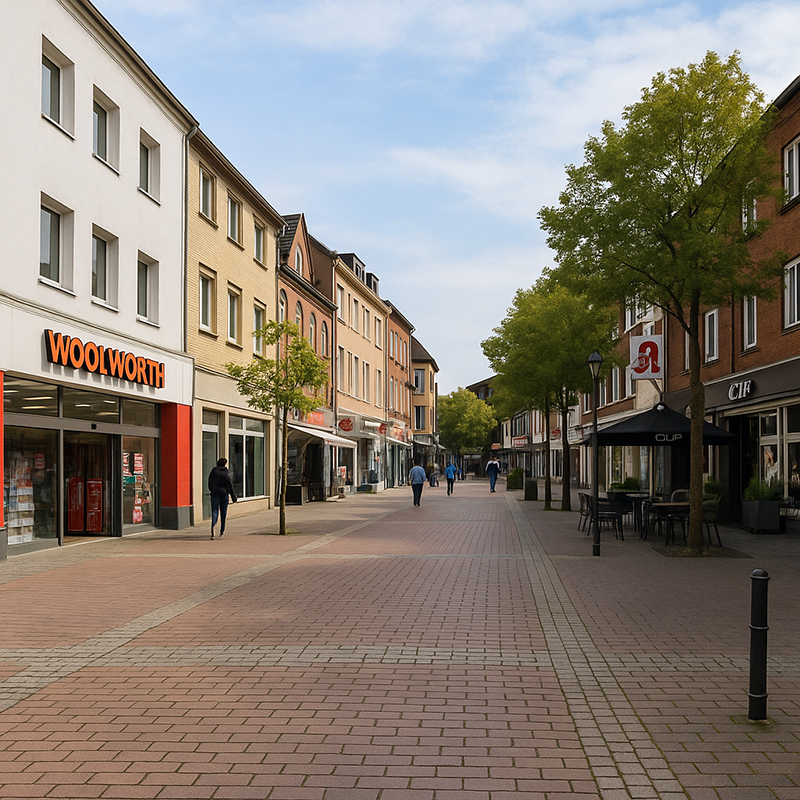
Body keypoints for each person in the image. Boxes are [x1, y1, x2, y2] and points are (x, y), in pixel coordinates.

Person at [208, 457, 237, 539]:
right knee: (223, 513)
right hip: (224, 494)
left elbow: (209, 482)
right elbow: (230, 485)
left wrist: (212, 490)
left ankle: (213, 526)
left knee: (215, 511)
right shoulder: (226, 472)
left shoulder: (214, 471)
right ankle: (222, 531)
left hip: (215, 493)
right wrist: (233, 496)